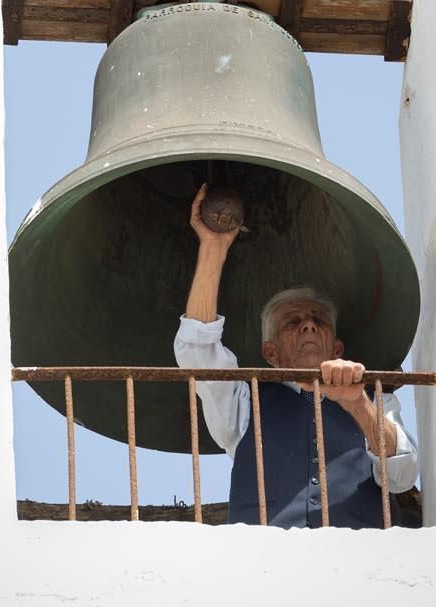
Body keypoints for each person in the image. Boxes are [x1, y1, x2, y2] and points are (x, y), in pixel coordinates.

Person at [174, 183, 418, 528]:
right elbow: (198, 351)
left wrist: (357, 405)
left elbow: (402, 475)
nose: (308, 326)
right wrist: (213, 248)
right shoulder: (244, 404)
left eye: (318, 320)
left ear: (337, 349)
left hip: (361, 567)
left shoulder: (376, 401)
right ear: (270, 352)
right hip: (263, 567)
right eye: (293, 322)